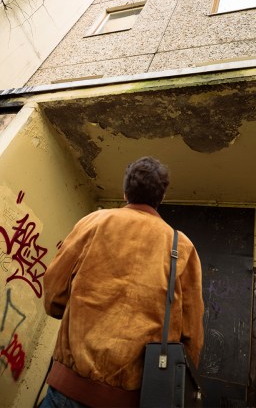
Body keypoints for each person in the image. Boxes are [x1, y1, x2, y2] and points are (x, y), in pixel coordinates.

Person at [41, 156, 204, 408]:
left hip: (68, 390)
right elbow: (192, 336)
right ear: (160, 199)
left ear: (125, 192)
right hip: (132, 398)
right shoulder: (181, 246)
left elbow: (53, 295)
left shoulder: (94, 222)